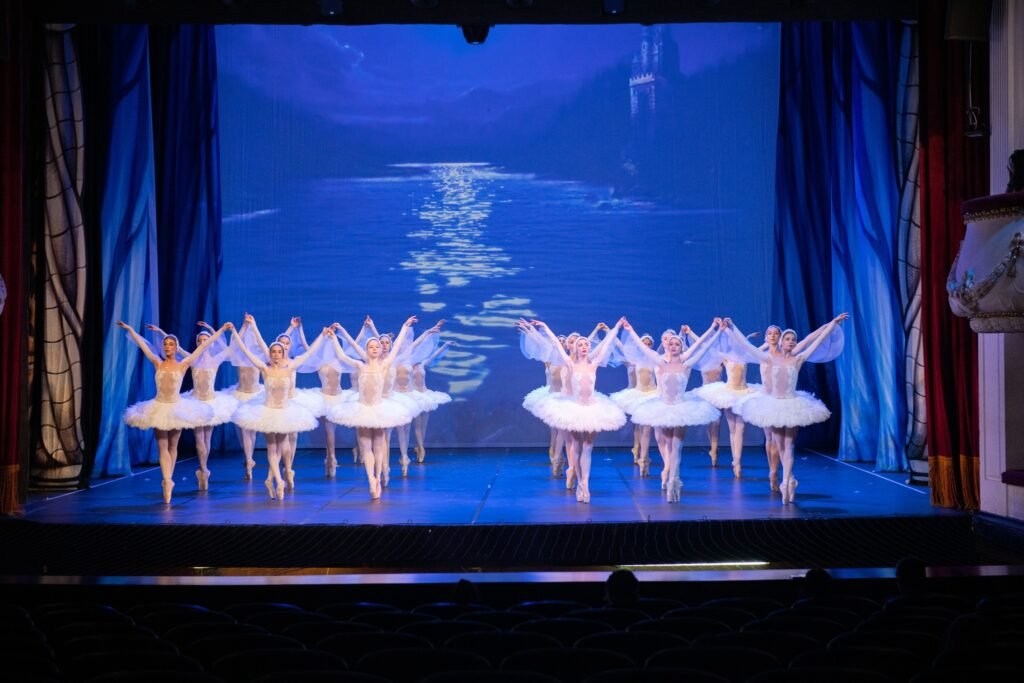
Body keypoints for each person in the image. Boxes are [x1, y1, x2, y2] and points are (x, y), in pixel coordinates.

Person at [725, 314, 849, 503]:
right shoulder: (769, 359)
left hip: (792, 405)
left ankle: (787, 481)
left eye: (793, 339)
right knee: (778, 444)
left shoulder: (799, 358)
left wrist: (831, 324)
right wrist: (732, 327)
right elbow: (746, 346)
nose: (791, 341)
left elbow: (814, 340)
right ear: (782, 342)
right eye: (788, 339)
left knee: (789, 446)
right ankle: (782, 476)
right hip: (773, 405)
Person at [119, 320, 232, 504]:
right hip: (158, 407)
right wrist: (131, 330)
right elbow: (143, 346)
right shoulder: (157, 362)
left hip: (177, 408)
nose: (167, 347)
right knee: (162, 446)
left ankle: (171, 478)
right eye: (165, 344)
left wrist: (220, 330)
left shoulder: (184, 364)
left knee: (173, 446)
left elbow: (206, 345)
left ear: (176, 347)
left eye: (171, 344)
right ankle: (167, 480)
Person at [620, 318, 723, 502]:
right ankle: (669, 474)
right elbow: (643, 348)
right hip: (664, 408)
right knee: (668, 444)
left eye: (677, 344)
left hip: (682, 408)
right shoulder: (660, 363)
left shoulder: (686, 364)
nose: (674, 346)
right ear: (667, 346)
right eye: (671, 343)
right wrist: (630, 330)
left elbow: (702, 346)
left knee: (677, 446)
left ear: (681, 347)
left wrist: (714, 329)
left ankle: (673, 480)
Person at [527, 318, 627, 503]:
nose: (583, 347)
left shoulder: (594, 364)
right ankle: (579, 481)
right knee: (578, 448)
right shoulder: (570, 364)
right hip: (574, 409)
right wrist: (545, 327)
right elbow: (557, 344)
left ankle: (585, 484)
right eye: (580, 344)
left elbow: (606, 344)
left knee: (588, 448)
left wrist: (616, 328)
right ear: (575, 348)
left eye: (586, 344)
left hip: (592, 408)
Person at [325, 317, 418, 499]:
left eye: (377, 347)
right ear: (366, 350)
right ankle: (371, 480)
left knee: (378, 447)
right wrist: (336, 336)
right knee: (366, 447)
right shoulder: (360, 365)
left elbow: (396, 347)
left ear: (380, 349)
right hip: (362, 410)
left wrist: (404, 327)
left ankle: (378, 475)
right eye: (371, 347)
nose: (375, 349)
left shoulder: (384, 365)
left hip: (378, 410)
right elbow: (343, 355)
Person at [230, 328, 325, 500]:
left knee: (280, 446)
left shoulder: (290, 368)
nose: (276, 354)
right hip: (268, 411)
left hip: (284, 412)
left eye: (279, 352)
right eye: (273, 352)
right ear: (269, 354)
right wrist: (235, 334)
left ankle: (270, 479)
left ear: (283, 353)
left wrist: (322, 335)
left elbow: (309, 353)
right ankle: (279, 481)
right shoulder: (264, 369)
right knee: (272, 447)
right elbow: (246, 351)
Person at [148, 321, 239, 491]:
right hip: (196, 403)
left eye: (205, 340)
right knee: (199, 440)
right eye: (199, 340)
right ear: (197, 343)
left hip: (211, 403)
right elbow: (177, 347)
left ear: (209, 342)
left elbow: (229, 348)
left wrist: (219, 330)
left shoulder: (215, 359)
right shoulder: (192, 359)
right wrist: (160, 331)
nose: (202, 342)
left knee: (207, 439)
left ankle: (203, 469)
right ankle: (203, 469)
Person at [609, 332, 658, 477]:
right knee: (639, 424)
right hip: (638, 394)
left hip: (652, 394)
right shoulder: (634, 358)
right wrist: (610, 333)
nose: (646, 346)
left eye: (649, 344)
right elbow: (621, 347)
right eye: (644, 343)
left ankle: (643, 455)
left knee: (647, 427)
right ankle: (638, 450)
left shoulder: (655, 359)